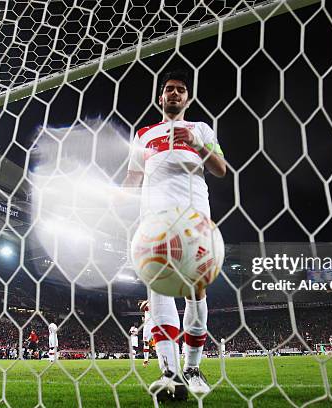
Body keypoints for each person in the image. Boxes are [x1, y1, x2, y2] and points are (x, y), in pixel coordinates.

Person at [123, 69, 226, 401]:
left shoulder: (200, 129)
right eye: (169, 89)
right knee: (158, 291)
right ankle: (170, 372)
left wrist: (199, 144)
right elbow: (132, 179)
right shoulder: (144, 134)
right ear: (160, 97)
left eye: (181, 90)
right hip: (152, 223)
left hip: (194, 220)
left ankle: (193, 368)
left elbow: (221, 169)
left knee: (197, 290)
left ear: (187, 98)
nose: (175, 94)